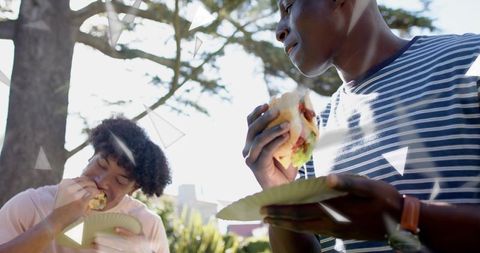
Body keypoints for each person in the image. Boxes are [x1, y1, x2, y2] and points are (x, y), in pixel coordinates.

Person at [242, 0, 480, 252]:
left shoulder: (470, 59)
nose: (279, 31)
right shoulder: (315, 131)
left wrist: (402, 218)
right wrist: (280, 195)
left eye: (288, 7)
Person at [0, 117, 172, 253]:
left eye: (120, 181)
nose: (102, 181)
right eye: (101, 165)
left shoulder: (147, 225)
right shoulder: (32, 204)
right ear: (91, 157)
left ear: (133, 189)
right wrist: (56, 220)